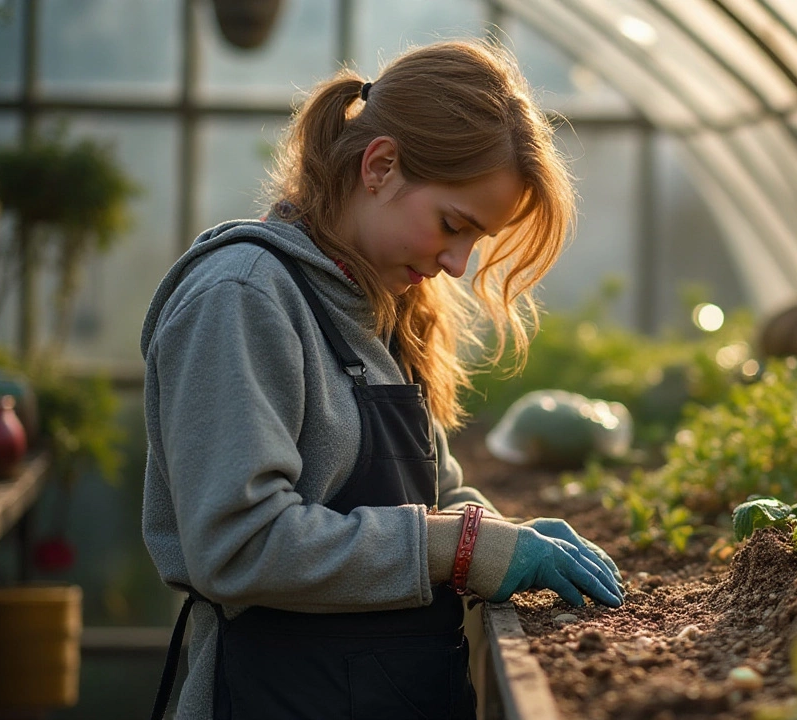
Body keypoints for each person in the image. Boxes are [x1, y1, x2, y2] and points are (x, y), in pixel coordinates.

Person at [143, 40, 624, 720]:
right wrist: (460, 545)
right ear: (381, 165)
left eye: (475, 240)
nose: (458, 263)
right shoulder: (244, 298)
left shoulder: (381, 309)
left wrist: (497, 528)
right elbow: (238, 546)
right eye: (453, 225)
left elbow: (436, 491)